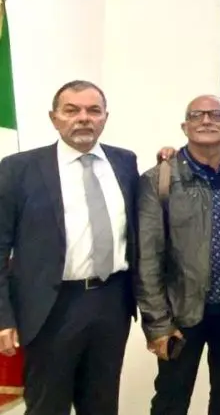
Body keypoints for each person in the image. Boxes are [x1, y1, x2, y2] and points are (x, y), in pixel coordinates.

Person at [0, 80, 139, 415]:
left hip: (112, 301)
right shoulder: (18, 168)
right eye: (71, 110)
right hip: (50, 306)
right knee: (47, 406)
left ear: (105, 117)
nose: (83, 118)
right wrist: (3, 317)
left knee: (102, 404)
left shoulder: (125, 162)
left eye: (93, 110)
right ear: (54, 118)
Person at [138, 95, 220, 415]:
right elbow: (148, 257)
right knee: (171, 398)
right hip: (181, 312)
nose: (207, 120)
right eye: (197, 115)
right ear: (185, 127)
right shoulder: (159, 178)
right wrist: (158, 324)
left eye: (216, 115)